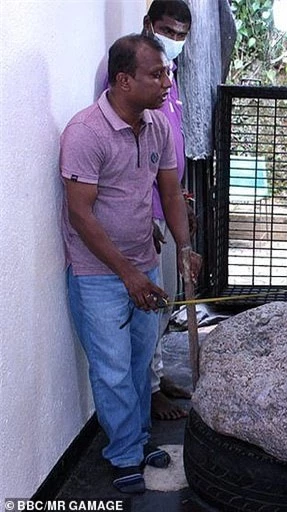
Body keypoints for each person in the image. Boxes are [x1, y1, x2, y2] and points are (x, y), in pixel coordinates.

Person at [60, 34, 202, 493]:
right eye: (157, 74)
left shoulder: (157, 125)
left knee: (141, 363)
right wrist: (128, 274)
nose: (168, 81)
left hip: (143, 264)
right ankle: (123, 453)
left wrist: (183, 248)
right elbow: (78, 213)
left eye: (167, 71)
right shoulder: (85, 133)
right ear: (124, 81)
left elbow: (169, 191)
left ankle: (138, 442)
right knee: (113, 368)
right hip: (99, 274)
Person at [96, 0, 194, 420]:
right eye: (167, 31)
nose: (173, 42)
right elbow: (124, 155)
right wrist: (146, 214)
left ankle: (154, 375)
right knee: (148, 306)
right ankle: (150, 389)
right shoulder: (126, 80)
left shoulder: (165, 80)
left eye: (180, 35)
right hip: (143, 213)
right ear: (148, 25)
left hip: (166, 203)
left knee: (163, 300)